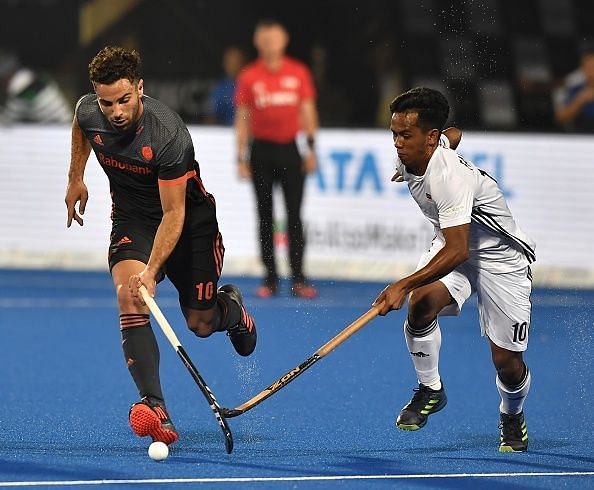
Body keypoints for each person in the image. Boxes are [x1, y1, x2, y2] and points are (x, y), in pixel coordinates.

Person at [64, 46, 257, 446]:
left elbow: (174, 214)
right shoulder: (88, 110)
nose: (114, 111)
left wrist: (152, 271)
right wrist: (75, 177)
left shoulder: (168, 135)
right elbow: (82, 127)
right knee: (129, 295)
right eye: (106, 103)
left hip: (187, 223)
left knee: (199, 323)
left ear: (140, 88)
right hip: (133, 218)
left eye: (124, 100)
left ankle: (232, 310)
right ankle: (156, 409)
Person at [374, 87, 535, 452]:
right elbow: (455, 133)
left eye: (405, 136)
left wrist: (401, 283)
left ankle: (512, 414)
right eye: (394, 134)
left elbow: (459, 249)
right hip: (453, 245)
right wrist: (446, 137)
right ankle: (431, 389)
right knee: (420, 305)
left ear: (428, 138)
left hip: (500, 259)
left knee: (506, 363)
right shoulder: (427, 148)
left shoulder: (448, 177)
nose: (397, 144)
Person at [234, 19, 319, 299]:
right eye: (265, 40)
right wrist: (240, 155)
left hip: (290, 150)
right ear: (258, 43)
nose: (270, 44)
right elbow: (243, 116)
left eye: (275, 39)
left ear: (284, 41)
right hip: (261, 151)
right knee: (264, 215)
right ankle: (270, 277)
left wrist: (311, 148)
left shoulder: (298, 73)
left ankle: (298, 277)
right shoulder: (249, 76)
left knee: (295, 216)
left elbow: (307, 110)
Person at [0, 49, 72, 124]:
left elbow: (8, 121)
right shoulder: (29, 75)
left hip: (56, 128)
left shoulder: (20, 87)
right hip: (65, 123)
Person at [554, 42, 594, 132]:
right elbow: (560, 118)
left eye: (593, 67)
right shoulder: (576, 89)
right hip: (581, 139)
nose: (590, 71)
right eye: (587, 67)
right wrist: (580, 100)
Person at [207, 46, 246, 126]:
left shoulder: (253, 84)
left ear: (243, 63)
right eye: (230, 63)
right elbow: (211, 116)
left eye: (236, 63)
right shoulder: (221, 88)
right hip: (226, 133)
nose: (233, 67)